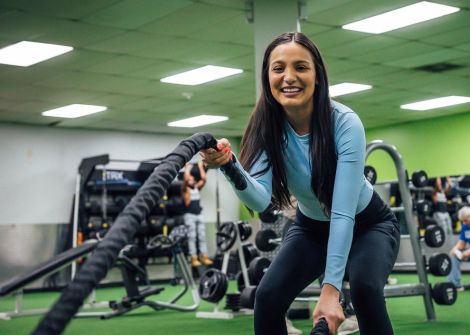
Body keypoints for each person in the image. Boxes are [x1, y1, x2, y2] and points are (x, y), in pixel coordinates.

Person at [200, 32, 400, 335]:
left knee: (364, 289)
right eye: (278, 68)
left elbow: (343, 213)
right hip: (311, 227)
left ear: (317, 75)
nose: (289, 77)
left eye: (301, 67)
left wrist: (331, 291)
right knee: (266, 298)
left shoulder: (345, 123)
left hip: (367, 225)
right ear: (267, 77)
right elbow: (259, 199)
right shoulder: (267, 127)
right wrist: (230, 166)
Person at [181, 161, 213, 267]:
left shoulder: (196, 188)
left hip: (199, 214)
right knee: (192, 237)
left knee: (202, 236)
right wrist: (187, 168)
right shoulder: (185, 189)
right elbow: (185, 180)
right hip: (189, 215)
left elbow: (204, 179)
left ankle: (203, 257)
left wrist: (200, 167)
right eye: (188, 178)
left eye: (191, 178)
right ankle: (194, 258)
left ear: (194, 180)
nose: (189, 179)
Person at [432, 176, 453, 242]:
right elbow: (438, 185)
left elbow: (450, 186)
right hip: (439, 213)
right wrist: (438, 176)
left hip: (445, 213)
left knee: (449, 229)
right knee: (443, 229)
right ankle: (444, 242)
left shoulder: (443, 192)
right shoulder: (434, 193)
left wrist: (447, 177)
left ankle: (450, 242)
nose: (440, 186)